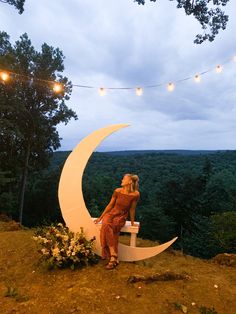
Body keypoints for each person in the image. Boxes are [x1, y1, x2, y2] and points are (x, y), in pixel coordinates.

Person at [94, 173, 140, 269]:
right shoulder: (117, 191)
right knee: (106, 224)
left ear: (130, 182)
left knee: (111, 226)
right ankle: (113, 255)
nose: (122, 180)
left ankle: (113, 258)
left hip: (121, 216)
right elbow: (110, 205)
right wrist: (100, 217)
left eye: (124, 179)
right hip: (111, 214)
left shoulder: (135, 194)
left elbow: (132, 209)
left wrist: (132, 223)